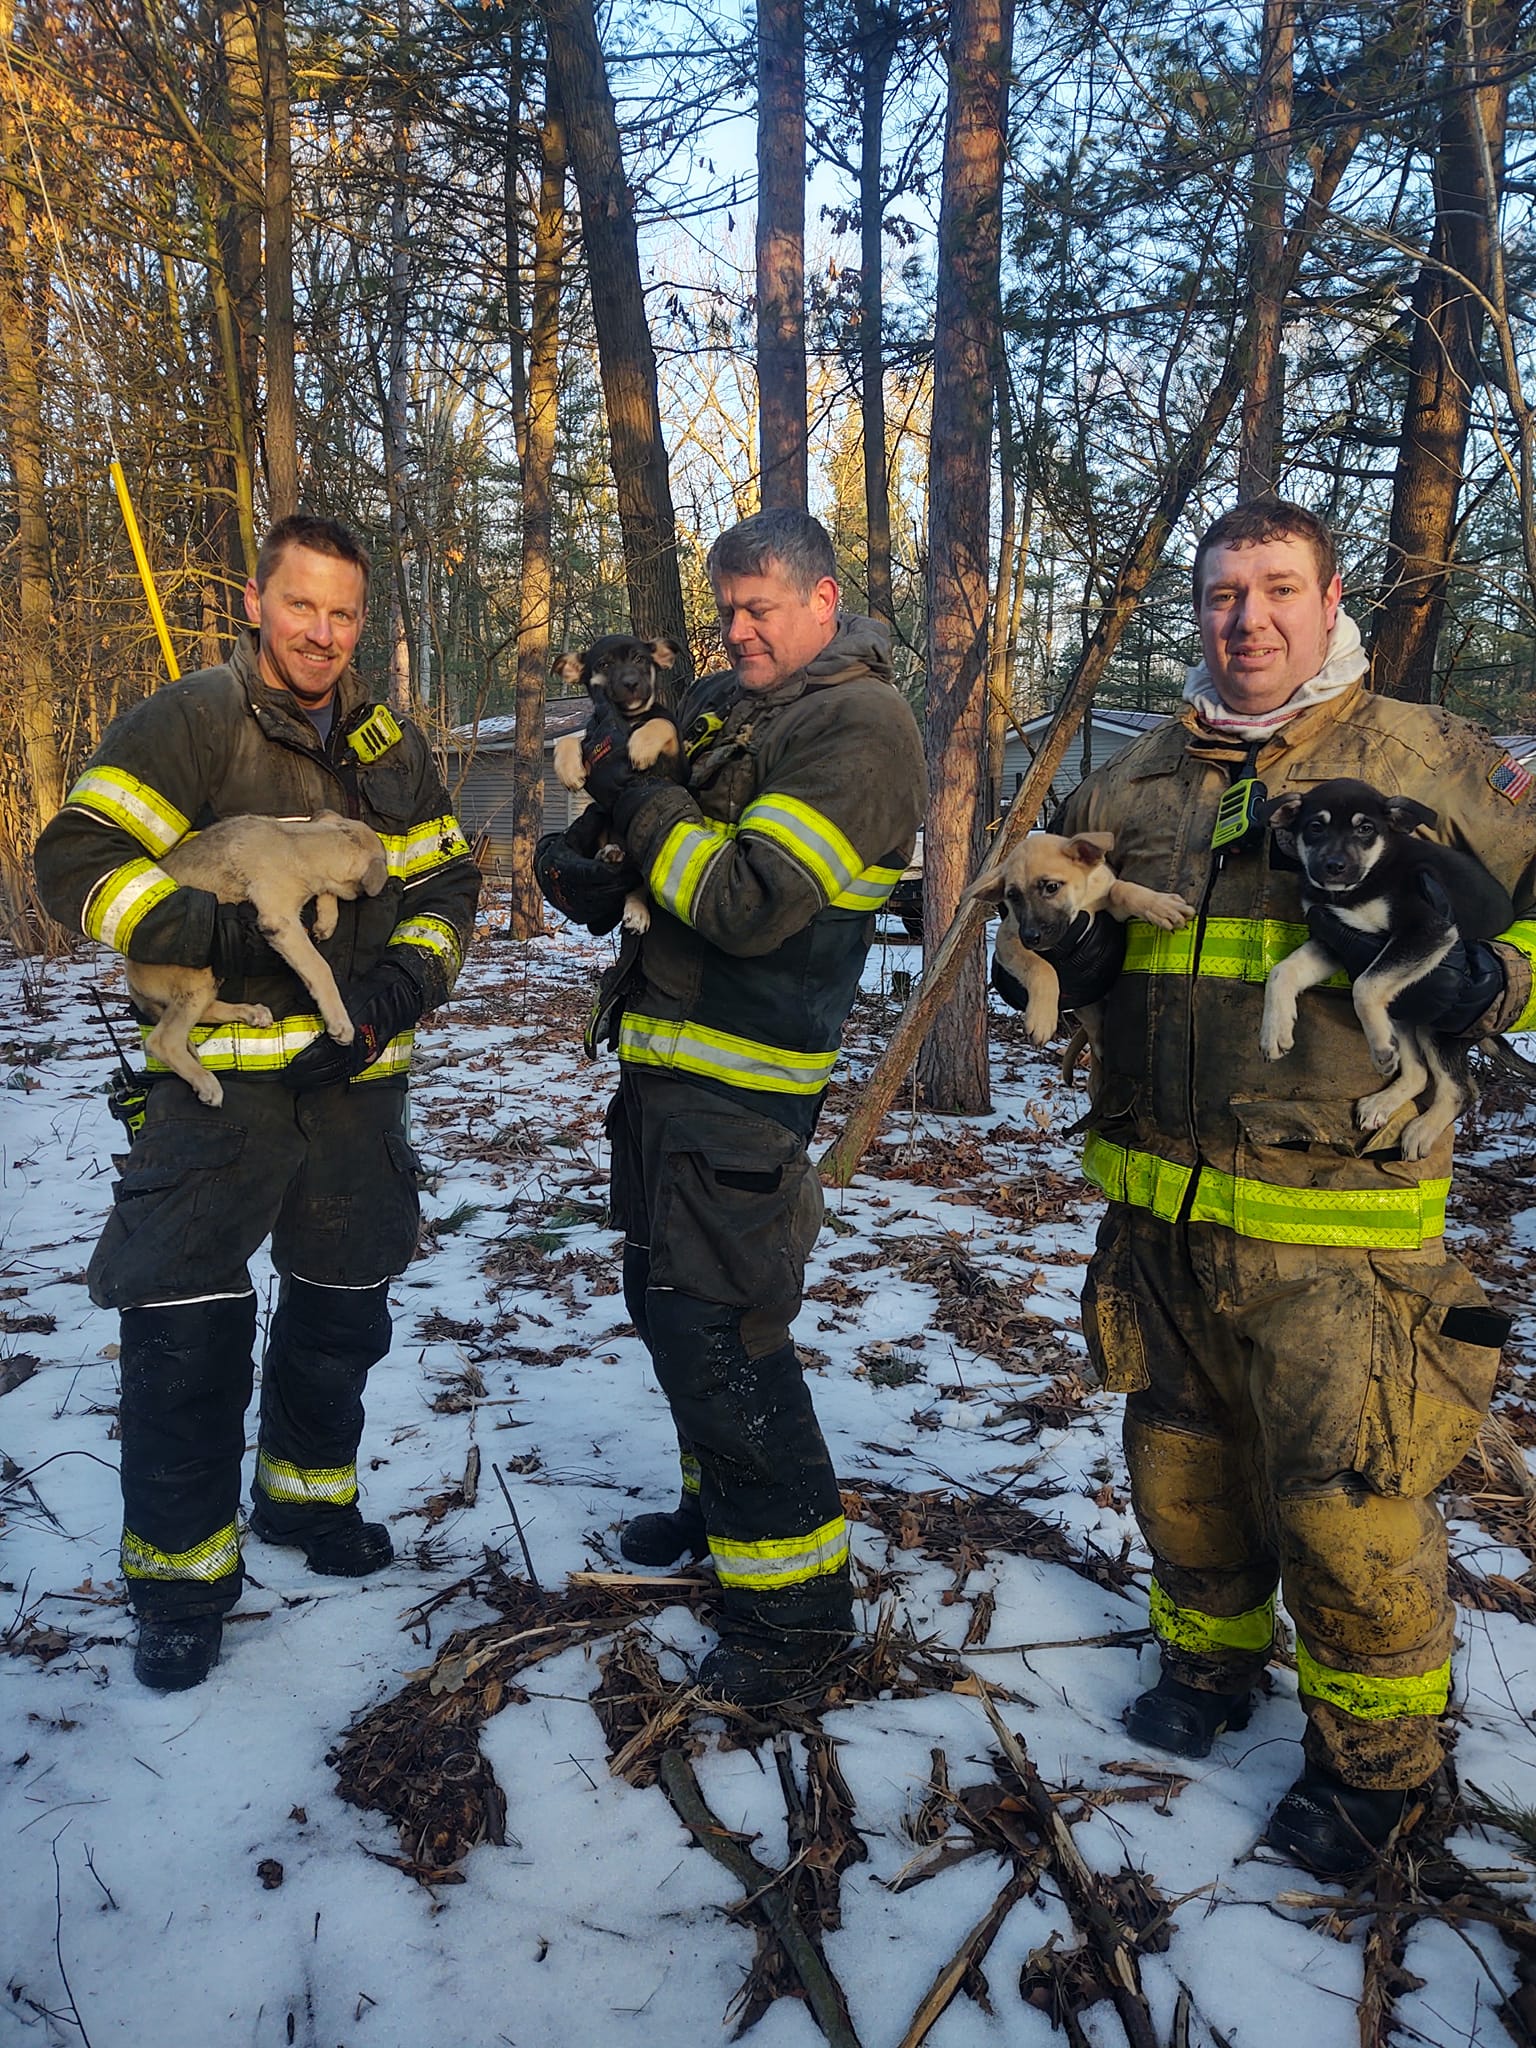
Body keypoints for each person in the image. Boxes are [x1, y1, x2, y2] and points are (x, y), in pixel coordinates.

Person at [995, 500, 1536, 1876]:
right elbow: (1042, 932)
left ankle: (1377, 1768)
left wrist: (1500, 978)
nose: (1249, 619)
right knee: (1181, 1465)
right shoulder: (1130, 784)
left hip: (1343, 1234)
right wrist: (1053, 961)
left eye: (1277, 589)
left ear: (1330, 596)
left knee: (1347, 1502)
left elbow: (1527, 919)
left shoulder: (1429, 761)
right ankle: (1212, 1666)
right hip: (1161, 1212)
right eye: (1224, 593)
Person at [34, 515, 481, 1692]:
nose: (322, 634)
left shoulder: (389, 746)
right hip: (214, 1091)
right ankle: (180, 1579)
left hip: (355, 1092)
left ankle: (305, 1502)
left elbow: (448, 878)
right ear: (255, 600)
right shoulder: (191, 720)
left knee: (341, 1312)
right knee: (184, 1325)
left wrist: (402, 983)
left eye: (342, 614)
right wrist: (216, 930)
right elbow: (73, 860)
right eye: (302, 607)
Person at [535, 510, 926, 1708]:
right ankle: (721, 1511)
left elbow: (749, 899)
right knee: (665, 1308)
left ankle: (799, 1614)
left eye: (762, 608)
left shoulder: (860, 726)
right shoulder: (724, 703)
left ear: (827, 598)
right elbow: (632, 847)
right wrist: (587, 850)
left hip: (746, 1091)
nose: (740, 631)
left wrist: (644, 811)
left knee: (723, 1329)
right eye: (728, 609)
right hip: (662, 1080)